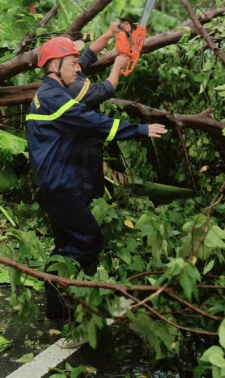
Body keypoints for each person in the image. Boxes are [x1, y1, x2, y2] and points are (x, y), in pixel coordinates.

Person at [26, 37, 167, 319]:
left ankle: (59, 307)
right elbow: (91, 121)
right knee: (89, 241)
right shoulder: (54, 97)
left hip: (55, 185)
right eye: (73, 63)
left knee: (65, 246)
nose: (77, 68)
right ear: (54, 65)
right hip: (60, 187)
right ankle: (78, 303)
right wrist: (139, 129)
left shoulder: (51, 93)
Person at [65, 21, 129, 203]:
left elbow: (90, 53)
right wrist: (117, 65)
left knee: (93, 181)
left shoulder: (72, 69)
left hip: (87, 141)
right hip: (82, 144)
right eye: (73, 58)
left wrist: (110, 32)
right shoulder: (74, 85)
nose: (78, 60)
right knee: (88, 189)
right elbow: (105, 90)